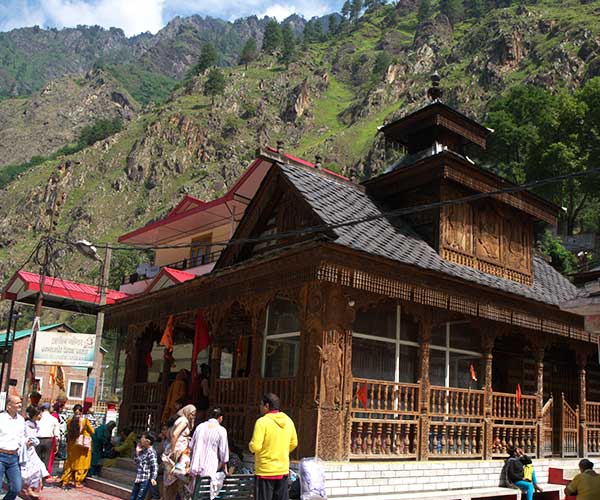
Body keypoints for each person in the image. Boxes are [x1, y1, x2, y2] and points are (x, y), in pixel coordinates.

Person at [249, 393, 298, 500]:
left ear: (267, 406)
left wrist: (251, 446)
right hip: (282, 470)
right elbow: (294, 443)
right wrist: (282, 451)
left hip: (265, 471)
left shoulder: (262, 422)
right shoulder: (288, 421)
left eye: (261, 404)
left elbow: (256, 446)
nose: (260, 407)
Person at [163, 404, 196, 500]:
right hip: (179, 452)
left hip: (176, 450)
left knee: (171, 479)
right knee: (179, 476)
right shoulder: (184, 421)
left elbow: (169, 434)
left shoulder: (177, 420)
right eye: (192, 414)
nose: (193, 416)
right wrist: (174, 450)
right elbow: (174, 434)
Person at [189, 407, 229, 485]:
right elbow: (223, 453)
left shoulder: (200, 427)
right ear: (220, 418)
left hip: (195, 466)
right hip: (210, 467)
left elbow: (191, 445)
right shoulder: (221, 430)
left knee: (195, 492)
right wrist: (225, 469)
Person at [60, 403, 95, 488]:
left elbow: (68, 431)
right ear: (82, 411)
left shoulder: (69, 420)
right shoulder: (85, 420)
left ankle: (65, 480)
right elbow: (92, 431)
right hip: (81, 445)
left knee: (70, 462)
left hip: (71, 444)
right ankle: (77, 481)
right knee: (81, 463)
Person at [0, 394, 26, 500]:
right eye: (17, 403)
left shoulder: (21, 420)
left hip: (13, 457)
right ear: (9, 406)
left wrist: (26, 442)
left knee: (16, 488)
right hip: (1, 455)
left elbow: (21, 437)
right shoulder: (1, 418)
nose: (20, 405)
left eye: (20, 402)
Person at [20, 405, 49, 498]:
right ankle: (28, 488)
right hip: (26, 450)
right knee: (29, 469)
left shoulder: (35, 424)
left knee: (38, 467)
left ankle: (33, 488)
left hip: (32, 449)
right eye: (39, 414)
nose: (40, 416)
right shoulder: (27, 425)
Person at [131, 432, 159, 500]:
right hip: (138, 478)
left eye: (142, 438)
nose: (140, 440)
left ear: (148, 441)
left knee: (139, 497)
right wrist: (137, 452)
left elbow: (155, 466)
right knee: (133, 497)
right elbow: (137, 462)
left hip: (145, 480)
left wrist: (153, 478)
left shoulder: (151, 452)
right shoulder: (143, 451)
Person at [36, 403, 59, 473]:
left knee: (36, 459)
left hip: (37, 439)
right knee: (46, 459)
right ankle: (43, 475)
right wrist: (57, 444)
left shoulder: (38, 418)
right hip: (48, 440)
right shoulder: (54, 419)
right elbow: (57, 434)